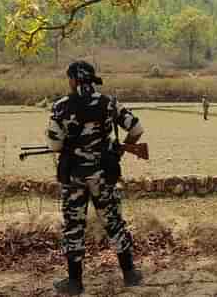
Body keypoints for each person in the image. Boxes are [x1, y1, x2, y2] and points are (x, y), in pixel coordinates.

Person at [46, 60, 144, 295]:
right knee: (113, 221)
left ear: (72, 80)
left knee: (73, 226)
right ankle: (130, 273)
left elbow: (55, 145)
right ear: (91, 79)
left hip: (74, 177)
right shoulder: (108, 103)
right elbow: (137, 128)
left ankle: (74, 282)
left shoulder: (61, 107)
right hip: (103, 175)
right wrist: (120, 148)